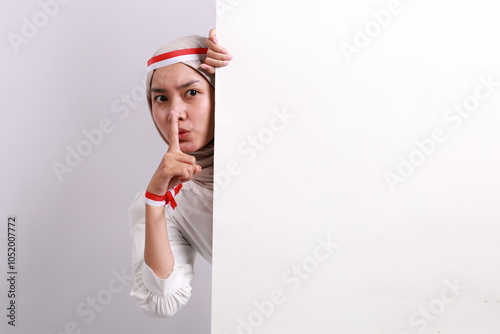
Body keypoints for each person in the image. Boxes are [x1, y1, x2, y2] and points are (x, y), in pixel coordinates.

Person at [129, 29, 232, 317]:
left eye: (191, 93)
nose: (175, 113)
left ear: (218, 92)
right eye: (161, 98)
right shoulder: (170, 200)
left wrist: (242, 64)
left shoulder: (272, 145)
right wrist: (154, 200)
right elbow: (163, 300)